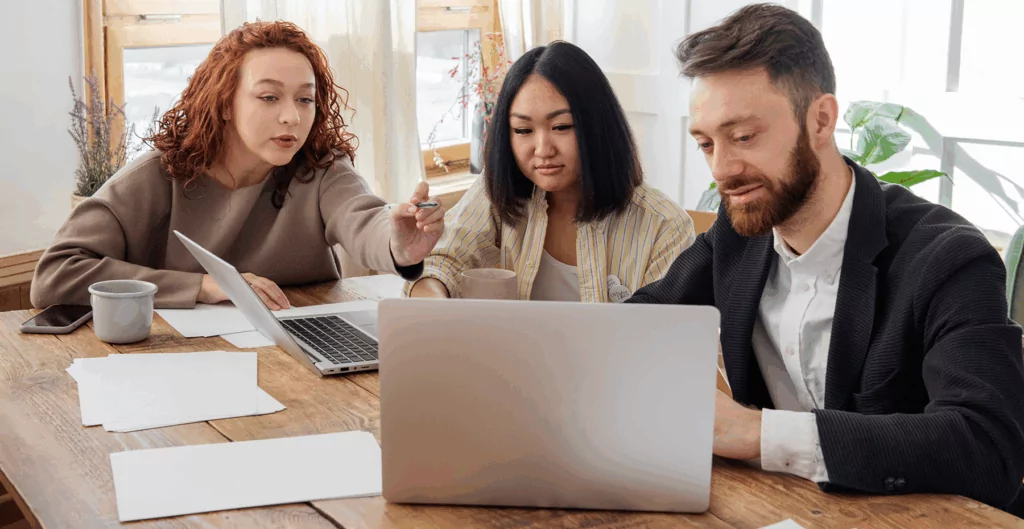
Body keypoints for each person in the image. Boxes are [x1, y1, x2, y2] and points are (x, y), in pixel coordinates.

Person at [626, 3, 1024, 513]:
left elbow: (987, 446)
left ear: (821, 119)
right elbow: (636, 325)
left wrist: (755, 432)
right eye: (706, 144)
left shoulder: (948, 258)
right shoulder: (740, 234)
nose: (722, 169)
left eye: (744, 137)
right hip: (787, 511)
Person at [31, 21, 444, 310]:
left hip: (300, 358)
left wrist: (398, 245)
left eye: (304, 99)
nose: (292, 118)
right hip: (177, 365)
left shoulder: (321, 168)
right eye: (269, 97)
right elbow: (55, 275)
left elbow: (363, 220)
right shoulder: (158, 177)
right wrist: (203, 287)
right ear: (225, 103)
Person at [406, 41, 694, 302]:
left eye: (561, 127)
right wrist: (434, 303)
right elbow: (442, 262)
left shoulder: (663, 225)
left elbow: (663, 339)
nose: (542, 149)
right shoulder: (497, 192)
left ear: (598, 126)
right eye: (523, 130)